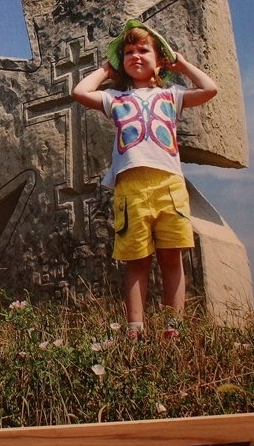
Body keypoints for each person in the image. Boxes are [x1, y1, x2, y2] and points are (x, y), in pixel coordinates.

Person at [72, 20, 218, 340]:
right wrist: (106, 70)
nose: (135, 56)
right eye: (127, 52)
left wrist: (181, 65)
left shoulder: (171, 95)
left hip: (169, 185)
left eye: (143, 50)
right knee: (137, 260)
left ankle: (174, 329)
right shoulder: (115, 98)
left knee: (172, 258)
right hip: (131, 188)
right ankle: (135, 331)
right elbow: (80, 92)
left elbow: (210, 89)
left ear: (158, 60)